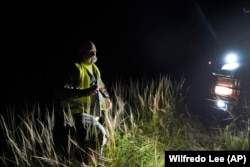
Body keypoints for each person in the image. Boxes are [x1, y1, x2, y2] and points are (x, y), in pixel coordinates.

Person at [54, 40, 112, 166]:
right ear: (81, 52)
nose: (94, 53)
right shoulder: (75, 68)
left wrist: (107, 98)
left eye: (95, 51)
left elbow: (101, 86)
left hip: (93, 115)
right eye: (91, 51)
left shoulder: (95, 68)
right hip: (76, 113)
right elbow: (61, 92)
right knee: (99, 133)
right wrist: (84, 92)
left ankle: (92, 163)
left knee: (100, 140)